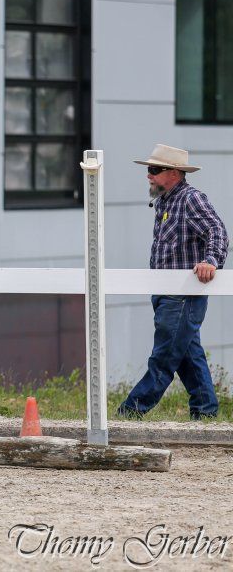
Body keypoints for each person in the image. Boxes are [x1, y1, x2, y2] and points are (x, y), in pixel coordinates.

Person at [117, 144, 228, 420]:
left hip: (182, 296)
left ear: (174, 173)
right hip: (167, 294)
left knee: (164, 357)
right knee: (188, 356)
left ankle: (131, 411)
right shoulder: (166, 200)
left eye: (154, 170)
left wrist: (211, 261)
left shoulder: (191, 198)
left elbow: (217, 230)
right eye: (148, 170)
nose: (149, 176)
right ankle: (205, 412)